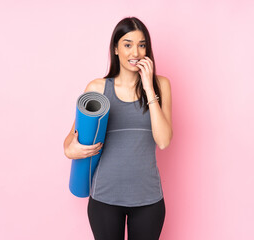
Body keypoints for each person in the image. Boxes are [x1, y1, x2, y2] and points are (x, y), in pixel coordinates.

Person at [63, 16, 172, 240]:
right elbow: (68, 144)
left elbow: (163, 141)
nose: (135, 53)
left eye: (142, 45)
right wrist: (73, 150)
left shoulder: (161, 85)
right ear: (115, 49)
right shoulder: (97, 88)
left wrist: (149, 89)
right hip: (104, 199)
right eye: (127, 44)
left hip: (148, 200)